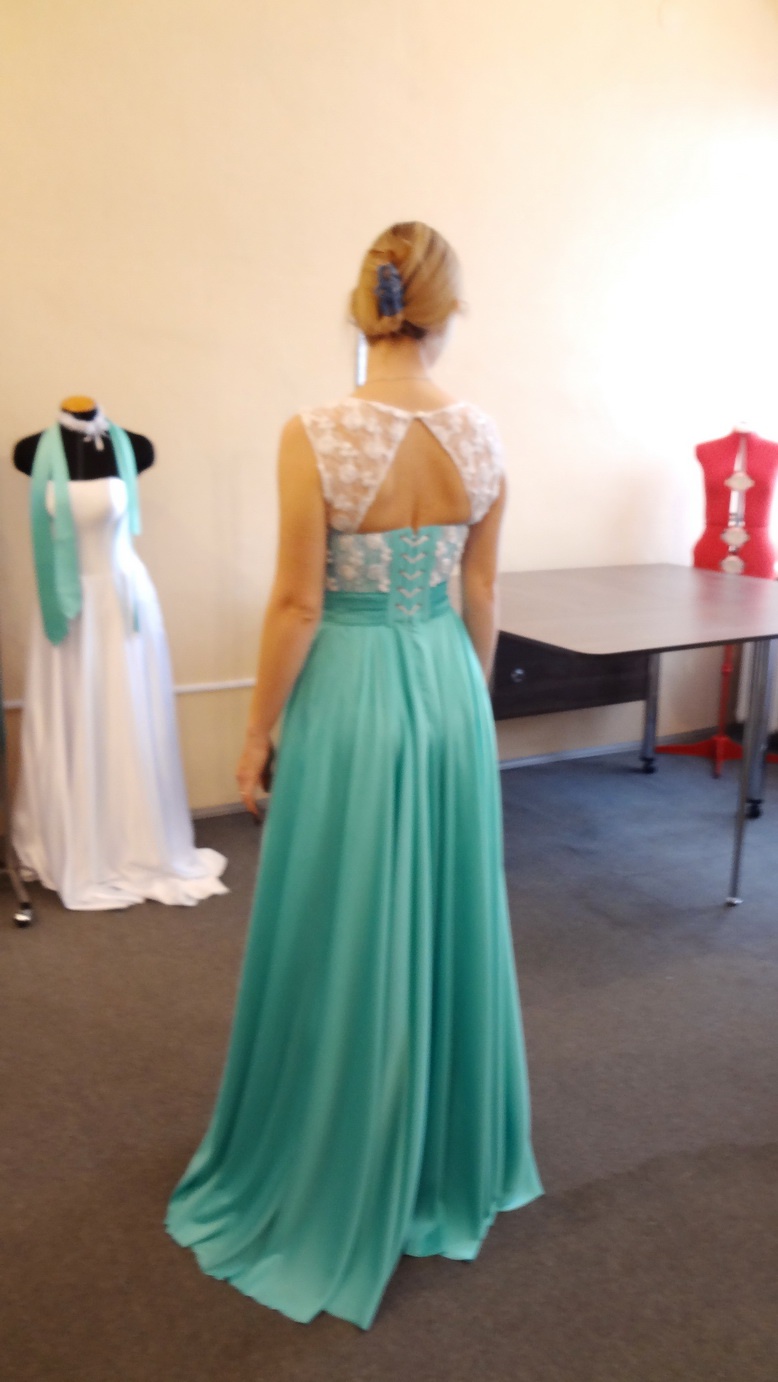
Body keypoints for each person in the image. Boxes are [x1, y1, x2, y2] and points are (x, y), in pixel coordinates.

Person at [166, 221, 542, 1327]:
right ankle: (440, 1151)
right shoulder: (483, 434)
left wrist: (255, 732)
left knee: (344, 912)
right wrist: (466, 700)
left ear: (362, 304)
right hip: (445, 682)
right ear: (448, 310)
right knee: (444, 911)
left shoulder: (317, 432)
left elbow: (298, 603)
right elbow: (482, 592)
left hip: (353, 689)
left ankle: (335, 1143)